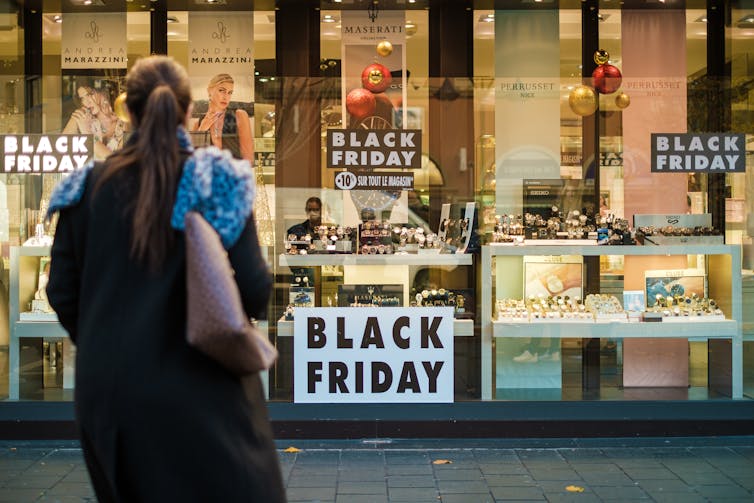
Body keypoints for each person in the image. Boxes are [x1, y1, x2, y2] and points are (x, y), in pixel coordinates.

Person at [45, 56, 285, 502]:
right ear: (189, 112)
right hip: (204, 389)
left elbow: (60, 291)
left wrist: (106, 340)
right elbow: (254, 292)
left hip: (109, 391)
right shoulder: (217, 177)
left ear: (127, 113)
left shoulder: (84, 188)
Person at [191, 73, 254, 162]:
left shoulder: (239, 116)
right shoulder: (198, 124)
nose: (226, 97)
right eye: (221, 90)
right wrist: (202, 129)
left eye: (230, 92)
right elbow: (194, 160)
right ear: (209, 91)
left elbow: (248, 157)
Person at [62, 84, 126, 160]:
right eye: (82, 98)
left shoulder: (124, 123)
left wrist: (87, 133)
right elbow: (61, 147)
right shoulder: (83, 117)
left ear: (103, 92)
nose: (86, 102)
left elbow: (114, 160)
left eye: (90, 95)